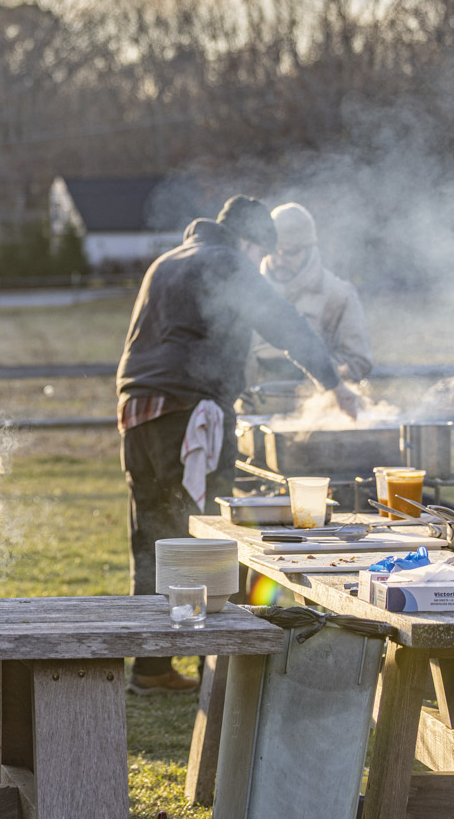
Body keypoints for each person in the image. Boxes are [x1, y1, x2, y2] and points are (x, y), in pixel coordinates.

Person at [116, 196, 357, 695]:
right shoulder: (227, 260)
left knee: (153, 537)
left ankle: (152, 667)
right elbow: (283, 321)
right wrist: (333, 383)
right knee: (207, 535)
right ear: (249, 241)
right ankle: (220, 667)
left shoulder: (169, 259)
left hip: (137, 410)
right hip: (188, 414)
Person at [245, 202, 373, 389]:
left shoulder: (338, 295)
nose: (280, 260)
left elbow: (359, 362)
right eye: (274, 252)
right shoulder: (247, 290)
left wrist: (312, 370)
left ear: (310, 249)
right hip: (251, 409)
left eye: (290, 252)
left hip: (314, 412)